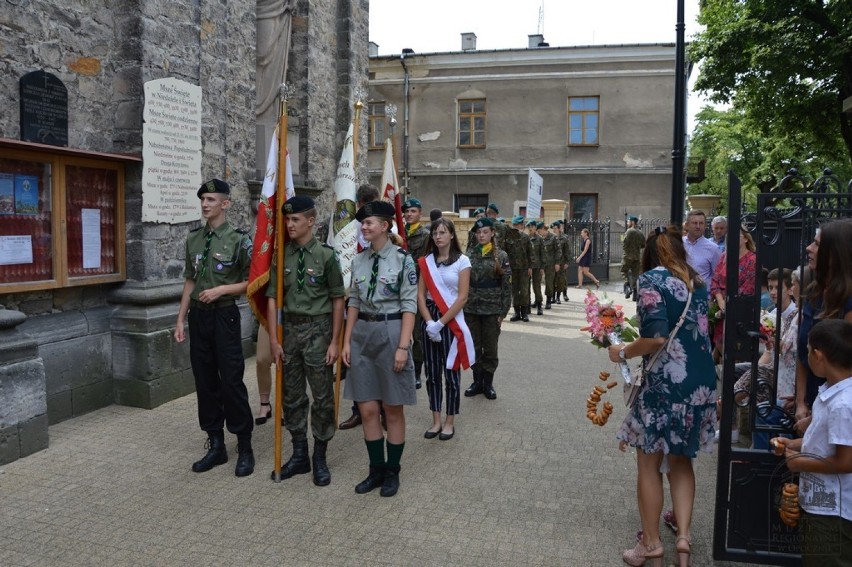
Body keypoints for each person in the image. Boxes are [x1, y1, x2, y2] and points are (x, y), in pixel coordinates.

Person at [607, 225, 717, 567]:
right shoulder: (697, 282)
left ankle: (651, 545)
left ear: (650, 254)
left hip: (666, 384)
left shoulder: (652, 280)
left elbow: (655, 337)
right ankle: (683, 539)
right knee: (683, 460)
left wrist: (622, 350)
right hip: (700, 382)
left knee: (649, 462)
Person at [174, 179, 255, 477]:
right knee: (205, 381)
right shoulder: (193, 239)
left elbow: (254, 281)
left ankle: (244, 445)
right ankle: (216, 444)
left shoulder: (238, 239)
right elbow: (190, 281)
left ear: (225, 203)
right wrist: (180, 319)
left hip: (225, 316)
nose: (205, 204)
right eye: (203, 200)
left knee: (231, 381)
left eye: (211, 199)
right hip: (199, 317)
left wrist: (222, 290)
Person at [264, 196, 345, 486]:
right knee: (291, 396)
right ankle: (299, 454)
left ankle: (319, 456)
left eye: (294, 220)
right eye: (287, 220)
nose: (289, 225)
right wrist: (274, 338)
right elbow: (273, 298)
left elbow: (338, 300)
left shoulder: (326, 256)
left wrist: (335, 341)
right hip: (290, 333)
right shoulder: (281, 256)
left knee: (323, 396)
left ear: (310, 221)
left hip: (319, 331)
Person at [341, 200, 417, 497]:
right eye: (363, 223)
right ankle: (375, 469)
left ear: (385, 226)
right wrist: (346, 341)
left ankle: (392, 472)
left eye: (369, 222)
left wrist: (403, 346)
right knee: (368, 407)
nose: (364, 227)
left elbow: (409, 306)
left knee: (392, 408)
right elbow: (354, 303)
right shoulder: (358, 261)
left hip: (391, 331)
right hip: (362, 336)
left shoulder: (403, 260)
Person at [773, 319, 852, 567]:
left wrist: (798, 462)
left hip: (833, 512)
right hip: (821, 505)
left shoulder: (843, 404)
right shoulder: (832, 392)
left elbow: (845, 461)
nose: (806, 357)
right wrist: (794, 444)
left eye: (807, 351)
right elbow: (824, 439)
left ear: (818, 355)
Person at [795, 219, 852, 435]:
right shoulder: (814, 293)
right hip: (810, 403)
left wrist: (817, 416)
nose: (809, 248)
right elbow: (804, 353)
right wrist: (801, 402)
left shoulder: (848, 302)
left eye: (817, 244)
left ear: (835, 253)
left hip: (838, 413)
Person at [417, 218, 472, 440]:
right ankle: (436, 420)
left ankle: (450, 421)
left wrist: (441, 323)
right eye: (435, 233)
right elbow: (420, 294)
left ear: (451, 235)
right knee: (431, 373)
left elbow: (463, 297)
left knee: (450, 372)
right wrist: (430, 322)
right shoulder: (426, 261)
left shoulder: (463, 261)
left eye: (442, 232)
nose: (438, 236)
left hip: (451, 321)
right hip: (429, 319)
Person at [733, 268, 798, 450]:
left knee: (757, 375)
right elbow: (769, 353)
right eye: (770, 287)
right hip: (771, 364)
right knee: (736, 369)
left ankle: (725, 403)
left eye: (777, 287)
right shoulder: (774, 313)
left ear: (790, 290)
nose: (772, 292)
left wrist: (760, 365)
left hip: (784, 372)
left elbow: (784, 352)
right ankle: (731, 427)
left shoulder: (794, 315)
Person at [339, 184, 380, 430]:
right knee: (357, 361)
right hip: (355, 303)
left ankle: (383, 410)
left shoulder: (389, 230)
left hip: (380, 312)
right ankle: (358, 409)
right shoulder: (349, 230)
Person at [463, 217, 512, 399]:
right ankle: (477, 382)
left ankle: (488, 384)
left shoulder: (502, 256)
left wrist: (503, 312)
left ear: (492, 233)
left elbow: (507, 286)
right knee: (474, 347)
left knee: (490, 348)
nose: (481, 235)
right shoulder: (469, 255)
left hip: (492, 310)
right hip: (472, 309)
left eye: (485, 232)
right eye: (478, 232)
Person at [710, 227, 758, 360]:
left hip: (739, 308)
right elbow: (715, 280)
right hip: (721, 306)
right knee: (719, 341)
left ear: (745, 238)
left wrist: (728, 304)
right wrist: (720, 301)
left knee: (735, 346)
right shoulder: (725, 256)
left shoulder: (752, 259)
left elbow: (748, 287)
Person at [403, 198, 431, 389]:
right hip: (399, 290)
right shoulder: (397, 233)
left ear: (420, 213)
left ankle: (416, 372)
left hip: (418, 290)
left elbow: (426, 264)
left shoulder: (426, 236)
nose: (409, 214)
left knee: (418, 335)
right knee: (399, 332)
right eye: (406, 211)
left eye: (413, 211)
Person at [682, 210, 722, 284]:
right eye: (694, 223)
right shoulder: (679, 244)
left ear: (705, 225)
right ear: (687, 225)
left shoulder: (713, 249)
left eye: (701, 223)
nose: (698, 226)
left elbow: (717, 276)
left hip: (703, 293)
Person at [506, 216, 532, 322]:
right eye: (517, 225)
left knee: (524, 291)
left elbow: (530, 253)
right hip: (512, 268)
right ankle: (517, 313)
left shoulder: (525, 237)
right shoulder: (508, 238)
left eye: (521, 225)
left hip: (524, 268)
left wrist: (530, 267)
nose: (519, 227)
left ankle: (524, 313)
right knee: (515, 291)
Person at [254, 324, 274, 424]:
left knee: (288, 360)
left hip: (291, 315)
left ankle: (286, 406)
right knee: (262, 359)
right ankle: (265, 404)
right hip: (268, 315)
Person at [622, 215, 645, 301]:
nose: (627, 223)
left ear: (632, 222)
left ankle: (627, 288)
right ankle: (635, 293)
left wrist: (626, 250)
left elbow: (625, 243)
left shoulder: (629, 231)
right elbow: (643, 244)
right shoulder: (640, 233)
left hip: (627, 256)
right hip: (637, 257)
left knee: (623, 271)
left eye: (628, 221)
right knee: (636, 275)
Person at [538, 222, 559, 308]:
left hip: (550, 263)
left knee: (549, 282)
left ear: (543, 229)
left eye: (539, 231)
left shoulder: (553, 237)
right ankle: (538, 300)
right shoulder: (539, 238)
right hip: (540, 264)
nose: (539, 233)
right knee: (537, 282)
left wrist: (557, 263)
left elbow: (558, 251)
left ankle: (548, 301)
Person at [526, 220, 544, 315]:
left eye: (532, 226)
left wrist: (542, 267)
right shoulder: (525, 238)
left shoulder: (540, 239)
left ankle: (539, 305)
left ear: (535, 228)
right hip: (528, 266)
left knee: (536, 286)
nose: (530, 228)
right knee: (527, 287)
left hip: (537, 266)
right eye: (529, 226)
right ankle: (527, 306)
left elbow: (543, 254)